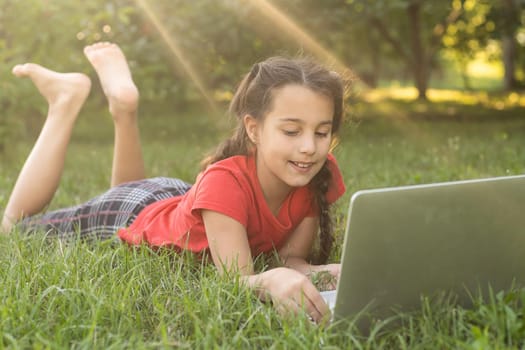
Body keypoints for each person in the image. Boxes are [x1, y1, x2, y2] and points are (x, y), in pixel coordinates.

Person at [1, 42, 346, 323]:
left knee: (134, 191)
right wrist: (268, 280)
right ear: (253, 129)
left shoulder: (315, 175)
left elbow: (288, 261)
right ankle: (66, 100)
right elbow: (233, 280)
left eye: (321, 132)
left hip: (186, 201)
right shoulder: (226, 182)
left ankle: (124, 109)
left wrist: (327, 272)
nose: (308, 147)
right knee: (12, 229)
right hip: (133, 210)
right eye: (291, 131)